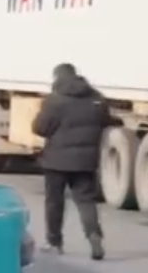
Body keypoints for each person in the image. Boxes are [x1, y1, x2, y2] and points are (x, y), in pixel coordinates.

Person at [31, 63, 115, 259]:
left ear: (57, 77)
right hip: (85, 161)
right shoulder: (96, 99)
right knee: (86, 200)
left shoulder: (54, 100)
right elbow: (106, 122)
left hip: (56, 161)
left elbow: (40, 128)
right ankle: (94, 235)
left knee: (54, 202)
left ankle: (54, 242)